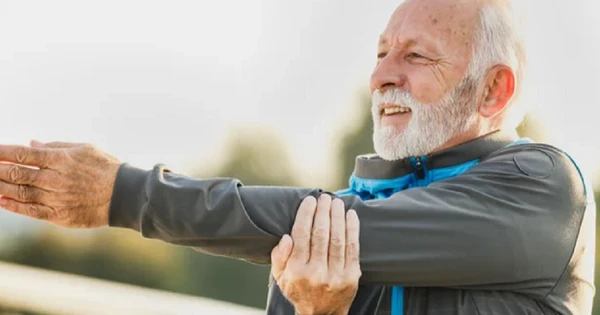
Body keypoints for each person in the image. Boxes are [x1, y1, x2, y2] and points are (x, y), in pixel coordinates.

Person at [0, 0, 594, 313]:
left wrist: (125, 195)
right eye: (382, 52)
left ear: (495, 90)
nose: (381, 76)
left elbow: (341, 227)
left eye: (417, 57)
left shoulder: (541, 187)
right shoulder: (324, 233)